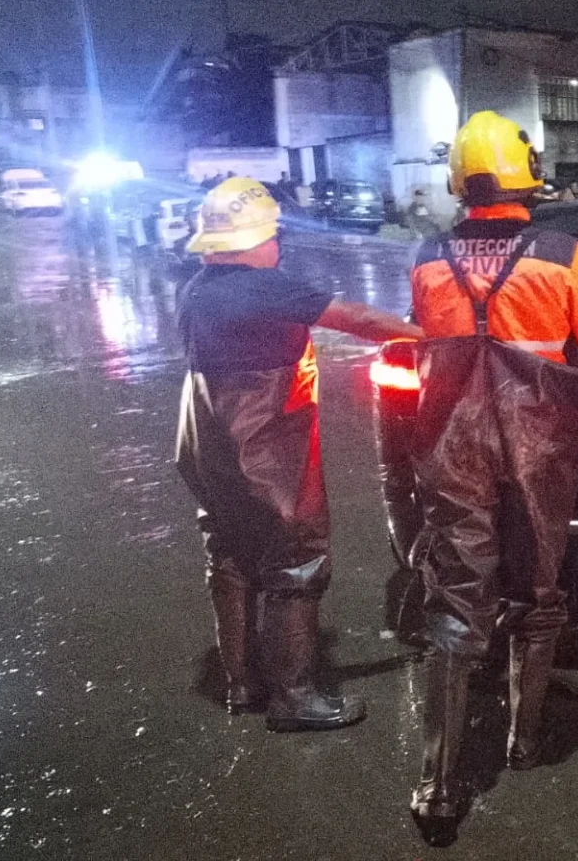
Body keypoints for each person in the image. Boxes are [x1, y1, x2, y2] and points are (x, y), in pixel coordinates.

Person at [405, 111, 578, 847]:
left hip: (452, 446)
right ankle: (522, 745)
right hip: (538, 446)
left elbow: (427, 343)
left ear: (460, 183)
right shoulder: (558, 251)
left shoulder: (427, 255)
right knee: (536, 585)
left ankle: (438, 786)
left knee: (456, 598)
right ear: (526, 177)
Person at [174, 177, 424, 733]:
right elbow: (356, 319)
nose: (278, 245)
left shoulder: (195, 288)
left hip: (204, 439)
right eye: (273, 236)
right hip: (263, 440)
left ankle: (243, 683)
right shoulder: (266, 288)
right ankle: (295, 697)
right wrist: (425, 334)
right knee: (296, 556)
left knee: (231, 552)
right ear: (253, 241)